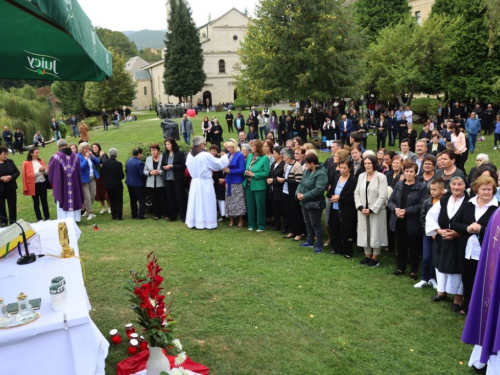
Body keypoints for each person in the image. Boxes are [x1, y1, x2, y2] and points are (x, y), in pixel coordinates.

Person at [452, 176, 499, 316]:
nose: (486, 192)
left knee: (485, 281)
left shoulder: (497, 208)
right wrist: (467, 229)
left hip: (487, 251)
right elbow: (454, 223)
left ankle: (484, 309)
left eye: (489, 189)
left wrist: (481, 230)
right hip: (467, 250)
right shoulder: (468, 203)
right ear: (476, 190)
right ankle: (468, 306)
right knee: (467, 279)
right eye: (483, 189)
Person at [426, 176, 467, 313]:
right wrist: (438, 230)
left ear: (465, 186)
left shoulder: (469, 202)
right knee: (440, 265)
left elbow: (471, 221)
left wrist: (458, 233)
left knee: (456, 269)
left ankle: (458, 299)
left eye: (459, 184)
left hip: (458, 242)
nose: (456, 187)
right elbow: (431, 216)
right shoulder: (444, 200)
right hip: (442, 239)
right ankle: (441, 291)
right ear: (449, 186)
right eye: (453, 184)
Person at [388, 161, 428, 279]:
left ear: (416, 173)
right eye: (406, 171)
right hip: (398, 221)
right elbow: (390, 201)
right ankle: (401, 268)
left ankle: (414, 271)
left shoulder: (422, 187)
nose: (409, 174)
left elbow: (422, 205)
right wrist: (395, 209)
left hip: (413, 222)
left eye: (411, 171)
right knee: (401, 246)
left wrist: (406, 211)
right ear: (403, 172)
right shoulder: (399, 185)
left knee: (414, 247)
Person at [185, 136, 229, 229]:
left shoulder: (189, 155)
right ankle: (208, 223)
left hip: (195, 181)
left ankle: (195, 222)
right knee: (207, 202)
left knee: (196, 202)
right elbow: (217, 164)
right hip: (205, 182)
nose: (205, 146)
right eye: (204, 144)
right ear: (201, 144)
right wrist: (225, 156)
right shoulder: (205, 155)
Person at [355, 155, 388, 267]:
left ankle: (375, 257)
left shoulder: (381, 177)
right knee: (365, 232)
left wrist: (372, 209)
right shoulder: (361, 176)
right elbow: (357, 193)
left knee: (375, 232)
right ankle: (367, 255)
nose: (367, 165)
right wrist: (360, 207)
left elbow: (383, 195)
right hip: (363, 210)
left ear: (374, 164)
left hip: (376, 210)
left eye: (369, 163)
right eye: (365, 163)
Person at [296, 153, 328, 253]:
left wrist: (304, 196)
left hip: (315, 202)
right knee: (307, 222)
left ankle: (319, 245)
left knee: (316, 224)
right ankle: (309, 241)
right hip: (304, 202)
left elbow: (319, 189)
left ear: (313, 163)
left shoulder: (321, 173)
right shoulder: (307, 171)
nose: (305, 165)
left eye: (307, 163)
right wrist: (298, 193)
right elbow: (301, 183)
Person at [416, 179, 446, 289]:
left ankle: (432, 278)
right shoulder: (427, 202)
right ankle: (424, 278)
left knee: (436, 257)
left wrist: (438, 232)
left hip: (441, 234)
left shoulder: (446, 202)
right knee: (426, 257)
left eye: (434, 189)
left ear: (442, 190)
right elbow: (423, 219)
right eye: (431, 189)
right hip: (428, 234)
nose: (432, 192)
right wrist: (431, 231)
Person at [48, 139, 85, 221]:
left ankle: (64, 218)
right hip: (74, 183)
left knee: (63, 196)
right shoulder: (75, 156)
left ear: (58, 146)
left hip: (62, 184)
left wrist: (54, 180)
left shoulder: (56, 156)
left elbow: (51, 171)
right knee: (74, 196)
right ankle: (75, 218)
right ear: (67, 144)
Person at [329, 158, 356, 257]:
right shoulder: (336, 177)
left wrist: (340, 198)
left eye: (345, 168)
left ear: (349, 168)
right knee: (334, 228)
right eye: (341, 168)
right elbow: (331, 191)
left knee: (346, 230)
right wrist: (332, 195)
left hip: (347, 209)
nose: (342, 170)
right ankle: (337, 248)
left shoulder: (353, 180)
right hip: (335, 207)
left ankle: (348, 251)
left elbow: (353, 197)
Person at [278, 148, 305, 241]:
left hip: (293, 193)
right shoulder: (286, 165)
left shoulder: (297, 166)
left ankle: (299, 232)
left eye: (284, 157)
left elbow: (298, 181)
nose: (283, 159)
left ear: (289, 157)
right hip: (285, 192)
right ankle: (292, 230)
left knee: (295, 213)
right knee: (287, 212)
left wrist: (285, 180)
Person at [242, 140, 269, 231]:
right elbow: (247, 167)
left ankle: (261, 225)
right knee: (250, 205)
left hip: (259, 185)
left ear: (258, 147)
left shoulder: (264, 158)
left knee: (260, 206)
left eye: (253, 146)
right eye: (251, 146)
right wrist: (246, 172)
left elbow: (266, 172)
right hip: (248, 184)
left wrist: (254, 175)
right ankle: (251, 224)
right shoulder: (250, 156)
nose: (251, 148)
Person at [162, 137, 187, 222]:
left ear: (173, 144)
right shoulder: (165, 154)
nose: (167, 146)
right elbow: (162, 164)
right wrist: (164, 167)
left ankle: (183, 216)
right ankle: (172, 216)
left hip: (177, 179)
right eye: (166, 144)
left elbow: (183, 166)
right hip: (167, 179)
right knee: (170, 198)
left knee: (180, 197)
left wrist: (172, 166)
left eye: (168, 144)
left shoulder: (179, 153)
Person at [223, 139, 247, 228]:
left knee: (238, 200)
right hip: (228, 181)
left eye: (229, 147)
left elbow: (242, 170)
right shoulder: (228, 155)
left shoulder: (239, 155)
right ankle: (231, 218)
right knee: (229, 200)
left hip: (237, 181)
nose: (228, 149)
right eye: (227, 147)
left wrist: (229, 170)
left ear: (234, 146)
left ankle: (240, 219)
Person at [22, 147, 50, 221]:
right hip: (34, 185)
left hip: (42, 182)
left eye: (38, 153)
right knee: (36, 202)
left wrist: (44, 170)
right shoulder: (27, 163)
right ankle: (39, 218)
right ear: (31, 154)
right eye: (36, 153)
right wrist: (38, 171)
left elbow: (47, 172)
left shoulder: (40, 161)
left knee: (44, 201)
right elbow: (28, 175)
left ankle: (47, 217)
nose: (38, 154)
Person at [144, 143, 168, 220]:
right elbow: (144, 171)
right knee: (154, 199)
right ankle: (157, 214)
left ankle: (166, 214)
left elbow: (166, 169)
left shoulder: (163, 158)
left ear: (158, 151)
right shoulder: (148, 159)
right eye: (151, 150)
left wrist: (159, 172)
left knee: (163, 199)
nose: (153, 152)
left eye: (154, 150)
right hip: (151, 183)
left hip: (161, 182)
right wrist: (150, 173)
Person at [78, 142, 100, 220]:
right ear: (82, 149)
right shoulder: (78, 156)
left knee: (93, 195)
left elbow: (97, 162)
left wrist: (92, 156)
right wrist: (86, 159)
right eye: (86, 149)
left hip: (92, 177)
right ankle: (91, 213)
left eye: (88, 148)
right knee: (87, 196)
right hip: (84, 179)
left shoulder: (89, 155)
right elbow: (81, 167)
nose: (88, 150)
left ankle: (87, 210)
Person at [101, 148, 124, 220]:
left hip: (108, 184)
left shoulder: (104, 163)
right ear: (116, 155)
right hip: (117, 184)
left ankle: (113, 215)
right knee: (118, 200)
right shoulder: (118, 164)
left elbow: (102, 173)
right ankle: (119, 215)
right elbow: (121, 176)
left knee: (112, 199)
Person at [267, 146, 285, 231]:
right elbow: (271, 174)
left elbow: (284, 178)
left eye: (275, 153)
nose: (273, 155)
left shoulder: (284, 164)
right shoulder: (273, 164)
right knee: (275, 209)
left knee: (282, 209)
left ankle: (285, 227)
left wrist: (273, 180)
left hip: (280, 190)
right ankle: (276, 226)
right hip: (273, 190)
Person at [0, 146, 19, 226]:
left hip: (11, 187)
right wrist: (0, 178)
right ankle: (3, 221)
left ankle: (13, 221)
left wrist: (11, 177)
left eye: (6, 154)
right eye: (4, 154)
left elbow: (17, 172)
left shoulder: (10, 162)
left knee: (12, 205)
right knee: (1, 206)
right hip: (1, 189)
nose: (6, 156)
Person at [125, 148, 146, 220]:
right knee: (141, 199)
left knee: (133, 199)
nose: (142, 155)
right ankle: (141, 215)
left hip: (129, 183)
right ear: (139, 154)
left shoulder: (129, 161)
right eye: (141, 154)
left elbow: (126, 171)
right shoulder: (140, 163)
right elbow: (142, 175)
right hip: (138, 184)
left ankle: (134, 214)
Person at [91, 143, 110, 214]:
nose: (95, 149)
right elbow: (94, 163)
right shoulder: (91, 156)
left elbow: (107, 162)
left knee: (106, 191)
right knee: (99, 192)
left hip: (104, 175)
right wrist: (100, 158)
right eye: (93, 147)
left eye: (96, 147)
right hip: (96, 175)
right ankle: (103, 207)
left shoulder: (103, 154)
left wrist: (102, 158)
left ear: (99, 148)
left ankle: (109, 207)